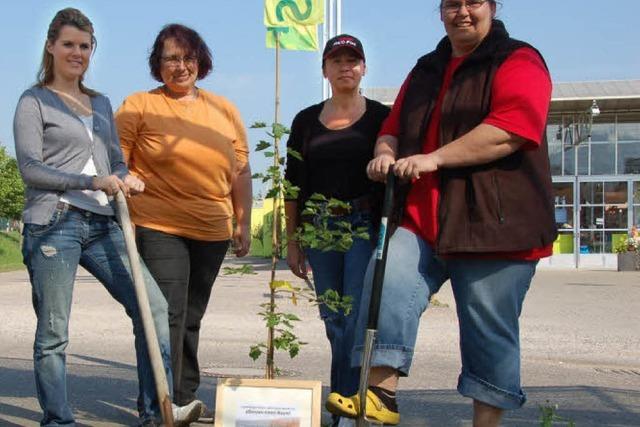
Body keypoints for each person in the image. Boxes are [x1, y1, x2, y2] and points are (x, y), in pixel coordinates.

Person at [326, 2, 557, 426]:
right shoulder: (425, 69)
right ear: (441, 11)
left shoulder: (518, 59)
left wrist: (434, 158)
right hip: (422, 218)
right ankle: (380, 396)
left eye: (474, 3)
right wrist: (384, 151)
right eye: (453, 4)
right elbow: (393, 125)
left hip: (495, 225)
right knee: (386, 282)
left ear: (492, 7)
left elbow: (511, 128)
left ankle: (485, 423)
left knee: (488, 331)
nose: (463, 12)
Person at [13, 8, 203, 427]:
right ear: (51, 47)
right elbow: (30, 168)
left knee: (152, 309)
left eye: (84, 46)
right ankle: (58, 420)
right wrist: (95, 181)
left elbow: (116, 160)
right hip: (53, 223)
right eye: (69, 44)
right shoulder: (33, 100)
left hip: (103, 223)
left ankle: (158, 411)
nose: (76, 53)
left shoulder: (100, 102)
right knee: (53, 332)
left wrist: (122, 177)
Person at [115, 23, 252, 419]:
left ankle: (184, 397)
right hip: (159, 225)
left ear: (201, 62)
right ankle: (161, 404)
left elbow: (240, 172)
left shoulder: (224, 109)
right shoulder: (139, 104)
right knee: (168, 314)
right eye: (171, 58)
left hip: (211, 229)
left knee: (192, 316)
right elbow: (115, 162)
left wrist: (241, 222)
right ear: (158, 65)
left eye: (188, 57)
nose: (180, 66)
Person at [284, 34, 389, 425]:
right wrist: (293, 240)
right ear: (325, 69)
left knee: (356, 318)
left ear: (363, 67)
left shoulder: (381, 117)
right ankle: (345, 400)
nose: (346, 66)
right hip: (320, 229)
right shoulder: (306, 121)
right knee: (333, 319)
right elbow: (292, 183)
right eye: (337, 60)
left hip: (363, 226)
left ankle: (348, 403)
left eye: (353, 59)